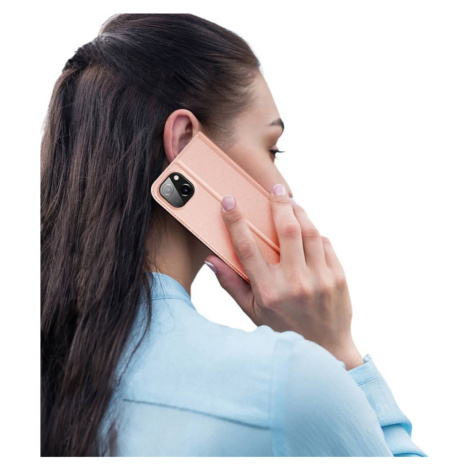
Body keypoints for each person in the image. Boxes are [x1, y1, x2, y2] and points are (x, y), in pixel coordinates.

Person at [40, 13, 427, 457]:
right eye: (272, 149)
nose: (285, 187)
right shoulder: (287, 385)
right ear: (185, 144)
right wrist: (336, 350)